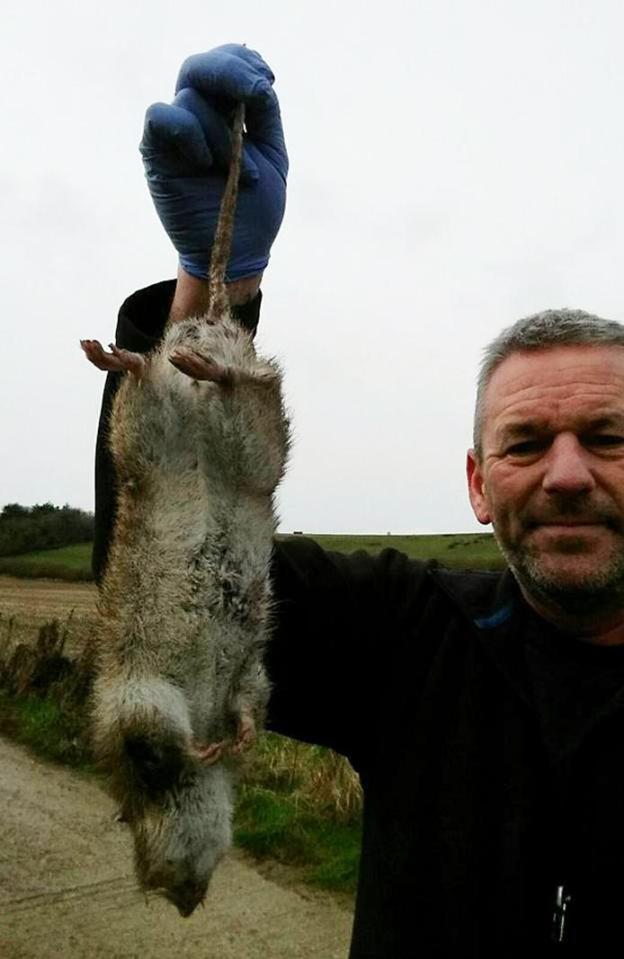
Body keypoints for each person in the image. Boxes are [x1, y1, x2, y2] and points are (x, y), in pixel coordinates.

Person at [93, 45, 624, 958]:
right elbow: (164, 556)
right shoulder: (406, 634)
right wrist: (212, 291)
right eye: (526, 443)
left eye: (608, 437)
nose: (566, 473)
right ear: (477, 484)